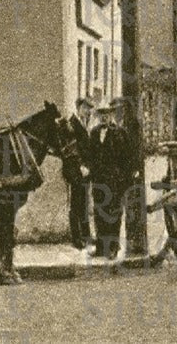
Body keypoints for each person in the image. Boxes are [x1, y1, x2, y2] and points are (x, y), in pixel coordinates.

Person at [88, 98, 134, 259]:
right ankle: (101, 247)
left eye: (106, 114)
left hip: (114, 179)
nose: (104, 117)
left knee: (113, 212)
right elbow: (89, 156)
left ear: (111, 115)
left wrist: (124, 178)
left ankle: (113, 247)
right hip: (98, 179)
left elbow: (127, 157)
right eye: (101, 114)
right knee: (99, 211)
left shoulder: (120, 133)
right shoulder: (93, 133)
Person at [67, 97, 94, 250]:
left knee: (84, 202)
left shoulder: (84, 123)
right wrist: (81, 166)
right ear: (78, 108)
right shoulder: (72, 124)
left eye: (89, 109)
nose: (88, 111)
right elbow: (71, 149)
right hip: (75, 170)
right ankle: (76, 238)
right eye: (85, 108)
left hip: (85, 170)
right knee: (76, 205)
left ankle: (86, 235)